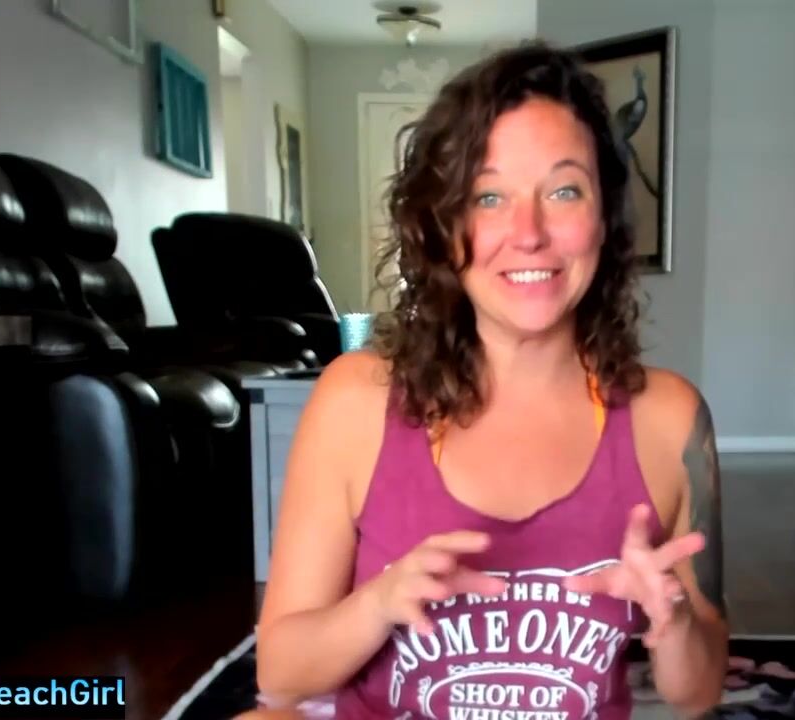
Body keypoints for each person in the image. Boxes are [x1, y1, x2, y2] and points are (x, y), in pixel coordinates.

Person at [250, 40, 728, 720]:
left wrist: (673, 623)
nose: (527, 233)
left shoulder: (670, 420)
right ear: (443, 227)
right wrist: (379, 603)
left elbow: (698, 692)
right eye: (488, 196)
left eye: (564, 191)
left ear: (605, 218)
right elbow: (282, 674)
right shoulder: (356, 401)